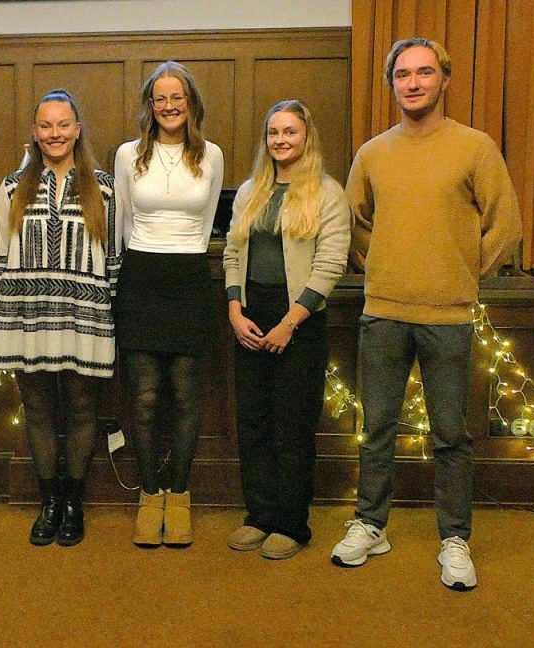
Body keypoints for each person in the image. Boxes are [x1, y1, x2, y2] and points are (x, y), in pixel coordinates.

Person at [330, 38, 521, 590]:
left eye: (424, 73)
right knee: (377, 430)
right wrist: (383, 266)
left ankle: (454, 539)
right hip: (383, 312)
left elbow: (503, 226)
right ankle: (370, 524)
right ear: (392, 83)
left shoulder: (475, 147)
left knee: (450, 435)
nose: (413, 83)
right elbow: (354, 221)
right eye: (403, 75)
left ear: (444, 80)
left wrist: (460, 275)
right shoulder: (372, 152)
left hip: (449, 316)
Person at [0, 89, 120, 547]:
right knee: (40, 411)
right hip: (28, 315)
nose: (55, 134)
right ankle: (50, 502)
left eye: (63, 124)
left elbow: (115, 259)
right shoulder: (10, 187)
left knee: (83, 410)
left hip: (85, 314)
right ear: (34, 131)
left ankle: (75, 503)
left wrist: (112, 315)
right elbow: (0, 260)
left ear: (77, 129)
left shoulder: (104, 188)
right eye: (46, 125)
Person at [222, 100, 350, 559]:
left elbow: (330, 264)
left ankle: (292, 525)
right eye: (274, 132)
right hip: (251, 313)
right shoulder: (250, 192)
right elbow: (231, 254)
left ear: (306, 137)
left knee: (292, 426)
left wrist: (289, 323)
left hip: (299, 319)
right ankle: (259, 515)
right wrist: (235, 310)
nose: (281, 140)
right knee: (253, 423)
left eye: (290, 132)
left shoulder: (327, 193)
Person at [113, 61, 224, 547]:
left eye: (177, 97)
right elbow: (122, 219)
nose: (169, 105)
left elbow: (206, 223)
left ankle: (179, 493)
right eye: (160, 98)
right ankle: (149, 493)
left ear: (191, 102)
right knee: (143, 397)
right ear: (150, 105)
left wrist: (185, 259)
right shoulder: (127, 154)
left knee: (184, 395)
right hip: (141, 277)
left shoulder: (212, 155)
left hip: (188, 279)